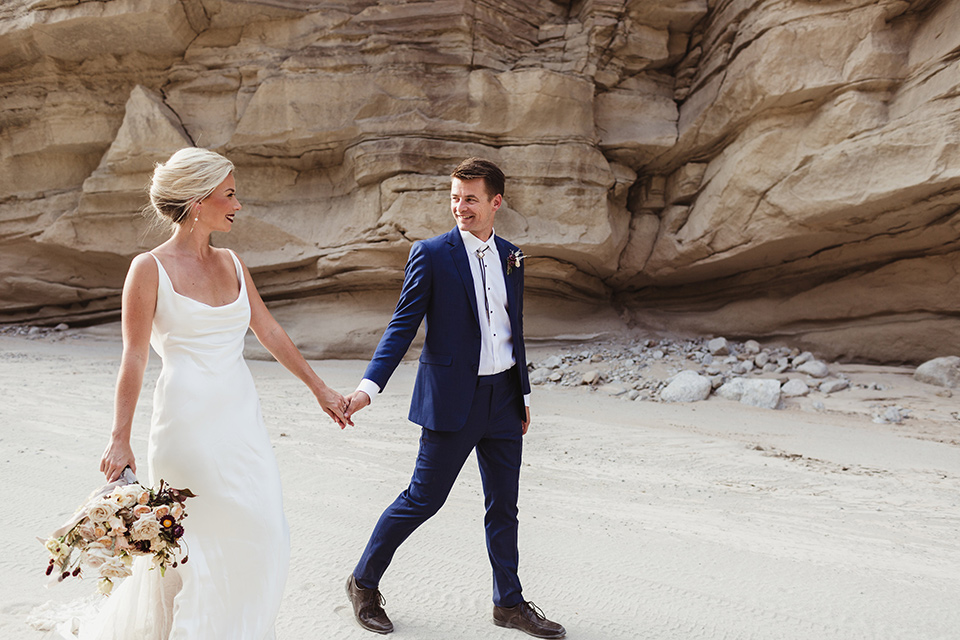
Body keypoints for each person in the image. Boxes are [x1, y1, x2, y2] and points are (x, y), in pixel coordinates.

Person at [91, 147, 349, 639]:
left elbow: (268, 331)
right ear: (195, 201)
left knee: (265, 534)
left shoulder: (232, 262)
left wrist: (319, 389)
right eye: (228, 194)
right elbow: (135, 357)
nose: (237, 204)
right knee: (198, 548)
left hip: (241, 423)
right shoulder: (148, 269)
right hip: (185, 427)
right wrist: (119, 437)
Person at [342, 158, 565, 638]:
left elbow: (513, 330)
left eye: (470, 199)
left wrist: (522, 394)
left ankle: (508, 604)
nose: (460, 208)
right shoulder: (432, 254)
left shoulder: (513, 256)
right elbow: (402, 325)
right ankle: (363, 582)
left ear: (495, 203)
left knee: (504, 506)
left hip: (503, 399)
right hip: (450, 401)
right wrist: (368, 388)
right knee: (423, 499)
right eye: (455, 198)